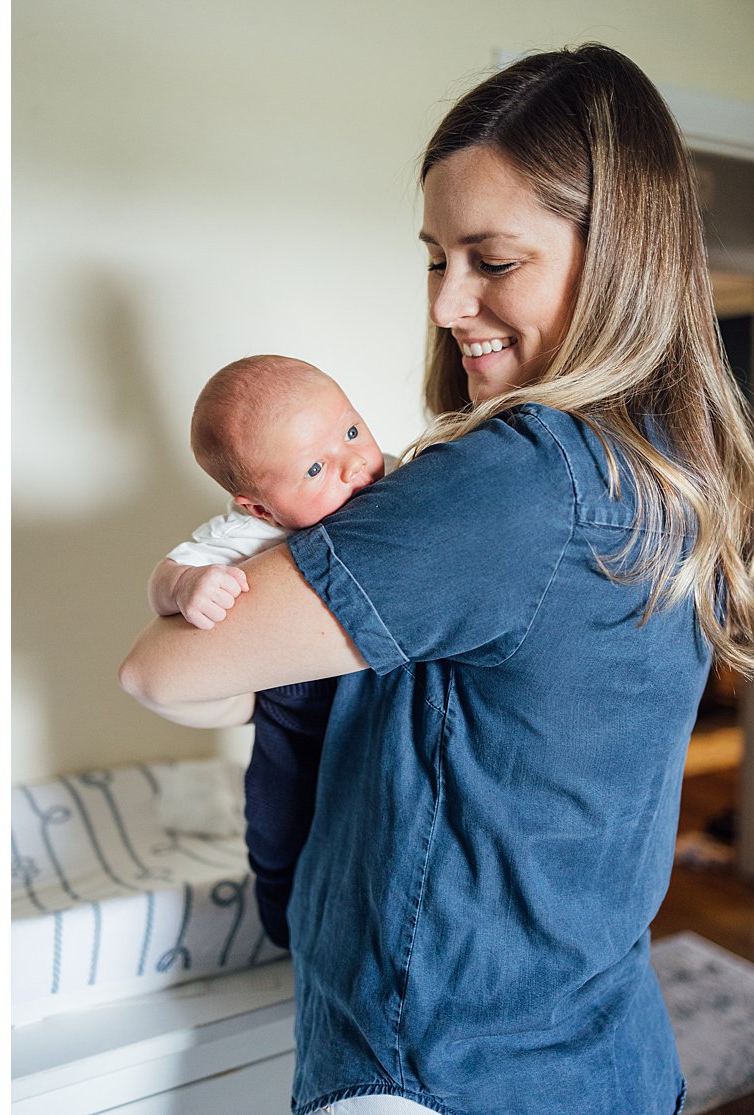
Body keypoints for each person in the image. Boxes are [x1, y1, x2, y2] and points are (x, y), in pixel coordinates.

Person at [120, 44, 754, 1115]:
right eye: (434, 258)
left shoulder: (513, 485)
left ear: (620, 259)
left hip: (442, 1069)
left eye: (493, 260)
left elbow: (163, 676)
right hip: (596, 1048)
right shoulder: (663, 471)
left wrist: (225, 564)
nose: (450, 303)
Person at [148, 354, 386, 947]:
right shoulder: (245, 535)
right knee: (279, 821)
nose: (353, 464)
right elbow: (166, 575)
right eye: (315, 467)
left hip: (375, 704)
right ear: (259, 507)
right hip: (293, 716)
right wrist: (185, 588)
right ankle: (284, 927)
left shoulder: (395, 484)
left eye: (351, 430)